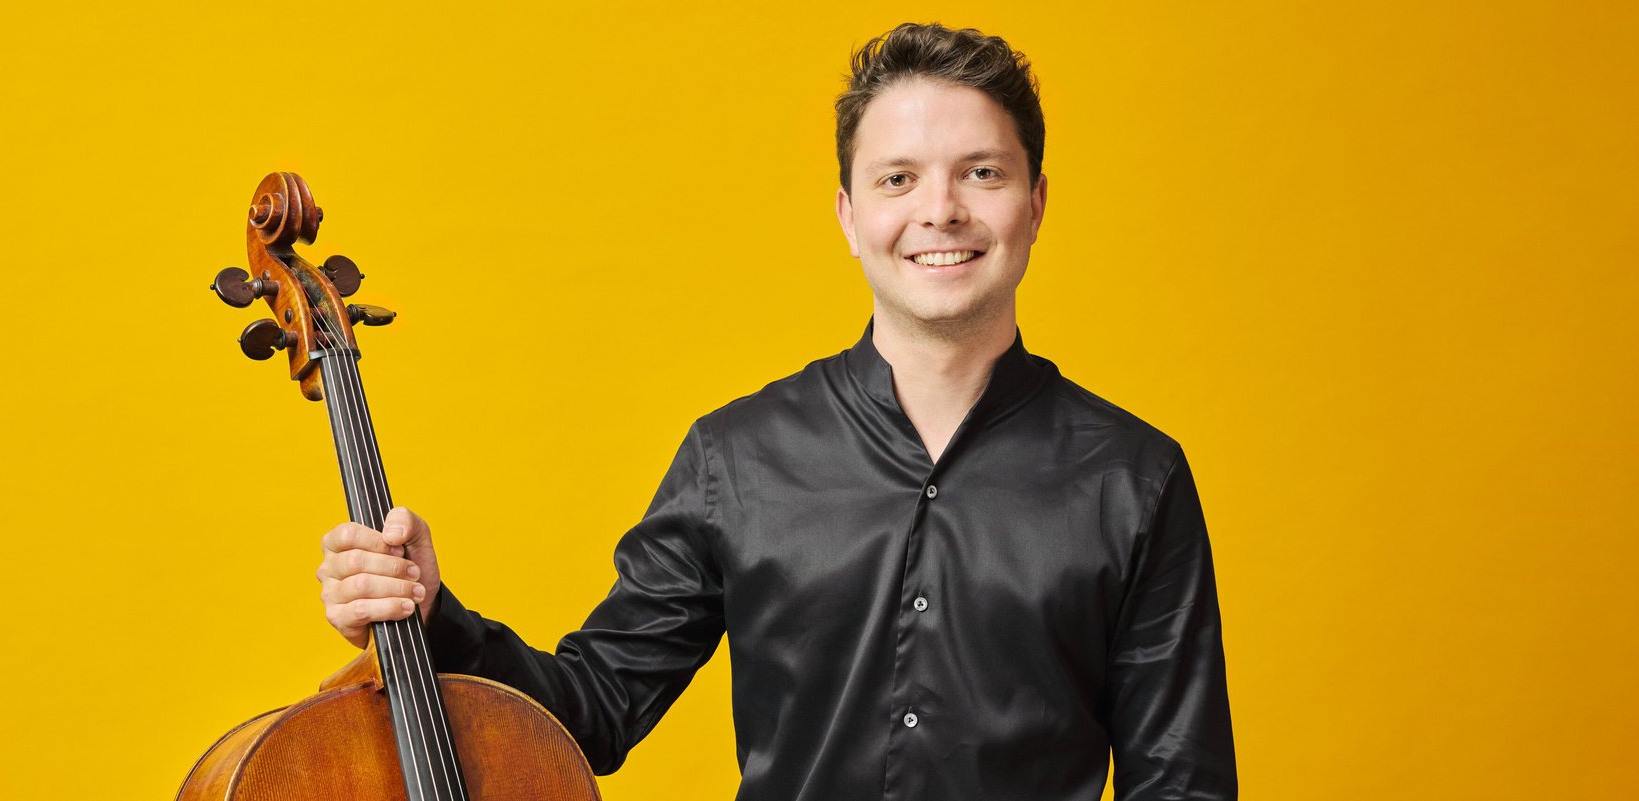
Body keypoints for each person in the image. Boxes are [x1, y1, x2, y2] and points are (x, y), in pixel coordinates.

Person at [315, 21, 1237, 801]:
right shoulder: (736, 460)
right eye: (898, 178)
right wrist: (432, 612)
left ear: (1035, 205)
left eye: (983, 173)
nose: (941, 210)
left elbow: (1182, 781)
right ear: (847, 214)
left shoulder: (1135, 478)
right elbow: (591, 714)